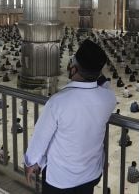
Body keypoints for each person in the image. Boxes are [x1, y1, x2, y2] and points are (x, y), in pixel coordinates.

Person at [24, 39, 115, 193]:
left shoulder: (58, 102)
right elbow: (104, 85)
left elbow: (40, 138)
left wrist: (30, 163)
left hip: (60, 180)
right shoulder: (108, 99)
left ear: (73, 69)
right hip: (91, 174)